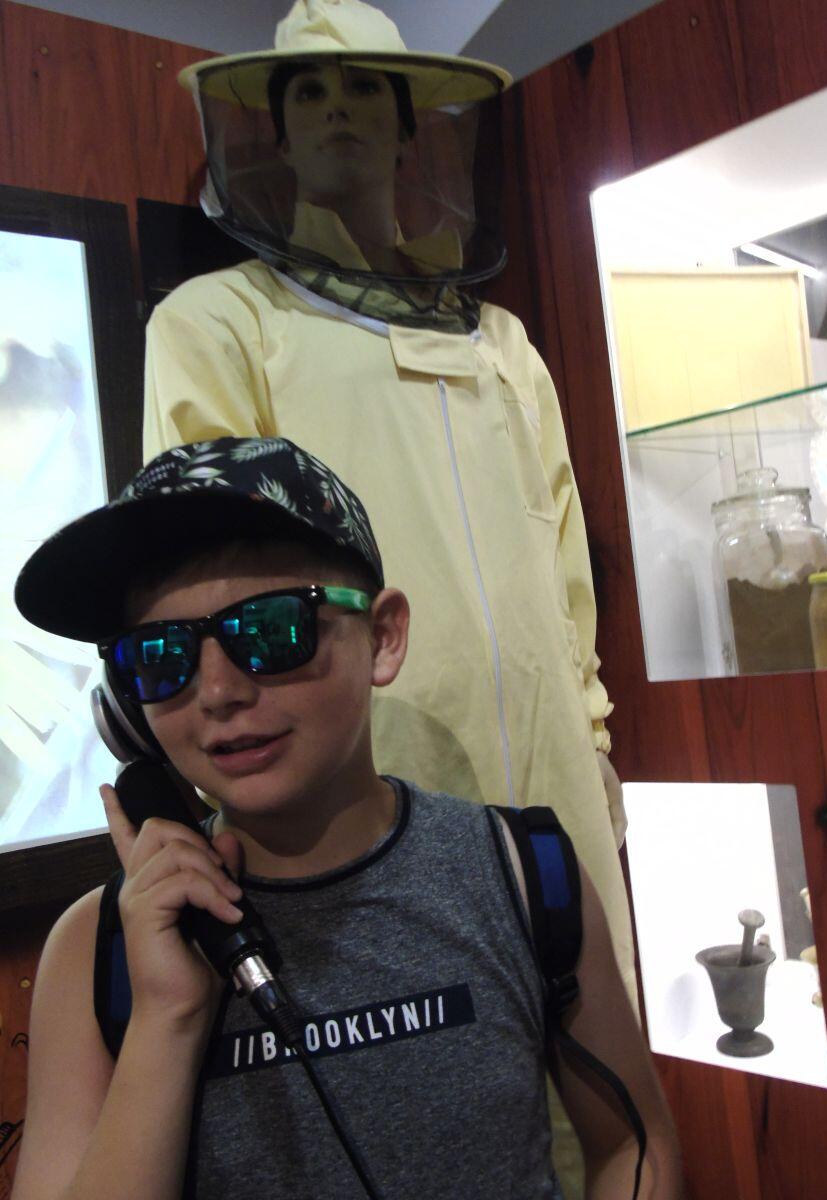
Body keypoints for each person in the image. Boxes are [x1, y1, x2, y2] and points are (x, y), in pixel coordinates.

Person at [144, 5, 632, 1187]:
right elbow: (199, 579)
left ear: (414, 128)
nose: (338, 113)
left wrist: (595, 745)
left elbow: (564, 569)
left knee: (604, 1111)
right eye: (309, 94)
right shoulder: (223, 322)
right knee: (419, 1118)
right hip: (360, 800)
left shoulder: (506, 345)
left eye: (365, 89)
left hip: (558, 794)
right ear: (273, 132)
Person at [12, 436, 682, 1200]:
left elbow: (633, 1142)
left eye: (271, 630)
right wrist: (167, 1015)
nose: (219, 692)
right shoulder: (95, 951)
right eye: (163, 656)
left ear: (383, 637)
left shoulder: (526, 873)